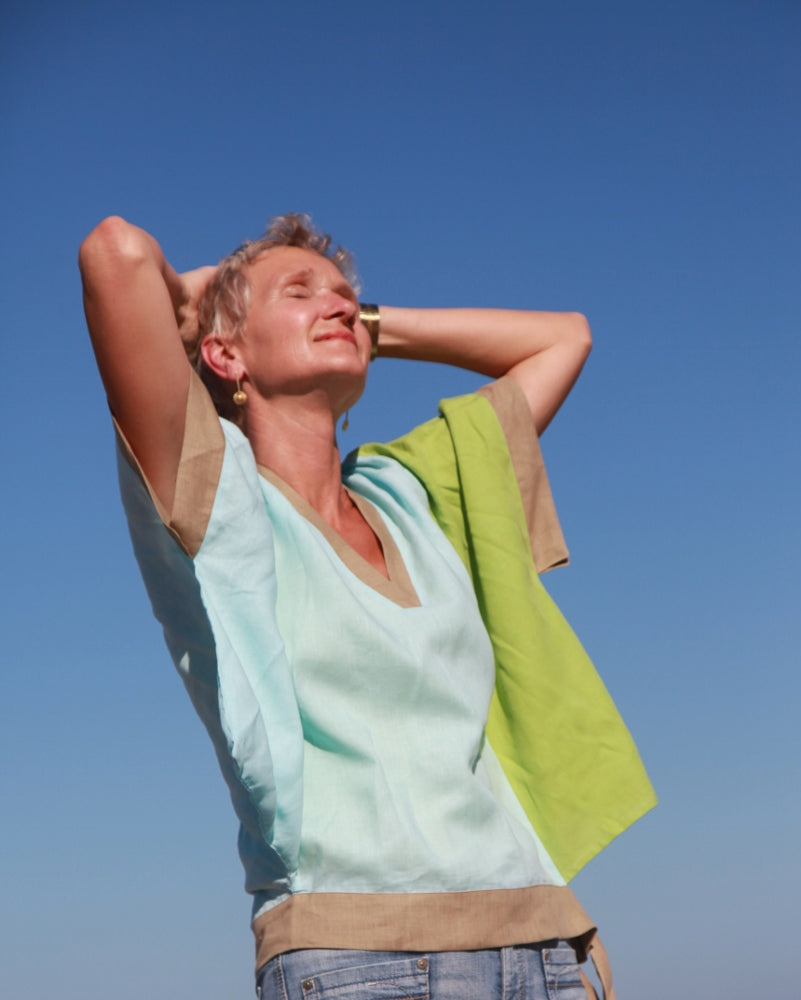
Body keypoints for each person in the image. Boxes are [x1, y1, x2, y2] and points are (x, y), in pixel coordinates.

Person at [79, 213, 655, 1000]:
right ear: (225, 355)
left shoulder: (413, 492)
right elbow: (114, 252)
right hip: (361, 957)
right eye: (301, 290)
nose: (340, 303)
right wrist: (197, 303)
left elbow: (564, 339)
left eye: (350, 295)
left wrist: (363, 325)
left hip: (541, 945)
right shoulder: (218, 496)